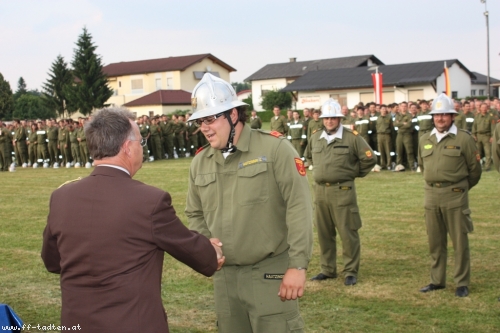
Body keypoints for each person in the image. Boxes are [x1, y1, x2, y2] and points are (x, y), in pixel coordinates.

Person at [41, 107, 223, 333]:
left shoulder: (61, 197)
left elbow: (52, 261)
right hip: (132, 324)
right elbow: (197, 253)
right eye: (140, 142)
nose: (142, 149)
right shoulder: (149, 201)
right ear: (127, 148)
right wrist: (212, 251)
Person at [186, 73, 313, 333]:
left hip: (270, 274)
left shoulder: (275, 149)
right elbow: (195, 212)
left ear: (233, 115)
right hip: (225, 279)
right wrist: (206, 243)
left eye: (210, 119)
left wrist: (297, 266)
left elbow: (299, 207)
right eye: (200, 121)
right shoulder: (200, 162)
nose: (205, 128)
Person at [305, 99, 375, 286]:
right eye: (326, 118)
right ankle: (327, 269)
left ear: (339, 118)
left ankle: (350, 270)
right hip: (320, 192)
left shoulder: (352, 137)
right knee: (324, 232)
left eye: (333, 118)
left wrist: (351, 173)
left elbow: (369, 159)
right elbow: (308, 156)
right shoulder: (315, 137)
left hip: (342, 191)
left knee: (347, 231)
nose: (329, 121)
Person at [418, 94, 482, 298]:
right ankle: (437, 280)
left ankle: (461, 282)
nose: (440, 118)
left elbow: (475, 171)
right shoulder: (425, 139)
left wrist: (460, 188)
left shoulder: (464, 139)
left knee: (459, 241)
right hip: (431, 195)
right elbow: (423, 166)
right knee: (435, 241)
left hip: (455, 195)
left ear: (452, 116)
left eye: (445, 114)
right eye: (437, 115)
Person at [472, 103, 495, 171]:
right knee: (478, 152)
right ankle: (478, 166)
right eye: (482, 107)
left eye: (485, 107)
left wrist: (492, 136)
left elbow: (493, 127)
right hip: (478, 136)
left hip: (486, 136)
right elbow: (474, 126)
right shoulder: (477, 116)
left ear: (487, 108)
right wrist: (474, 135)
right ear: (480, 108)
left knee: (488, 152)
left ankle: (487, 167)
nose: (484, 109)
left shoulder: (490, 116)